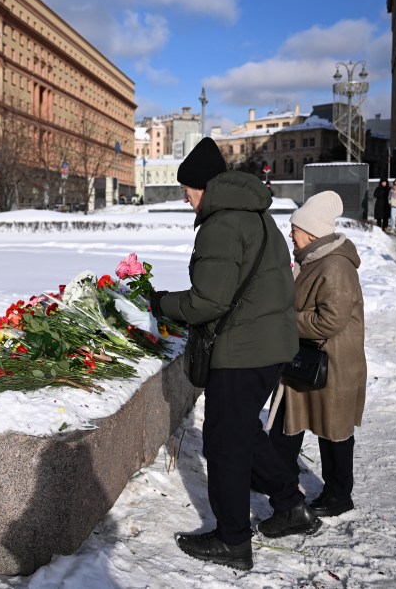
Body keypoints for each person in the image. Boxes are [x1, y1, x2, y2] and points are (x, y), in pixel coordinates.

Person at [149, 138, 319, 571]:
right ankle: (289, 505)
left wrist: (160, 303)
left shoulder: (221, 225)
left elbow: (207, 301)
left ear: (203, 186)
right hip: (270, 346)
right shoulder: (258, 217)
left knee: (224, 444)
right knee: (243, 432)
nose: (185, 199)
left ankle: (232, 541)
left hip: (243, 351)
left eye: (187, 189)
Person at [266, 191, 367, 519]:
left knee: (334, 430)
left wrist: (285, 322)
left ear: (311, 232)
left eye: (294, 229)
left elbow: (330, 321)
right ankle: (279, 481)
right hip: (311, 358)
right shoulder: (314, 259)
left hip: (333, 362)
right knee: (290, 422)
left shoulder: (334, 265)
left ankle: (339, 495)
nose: (290, 234)